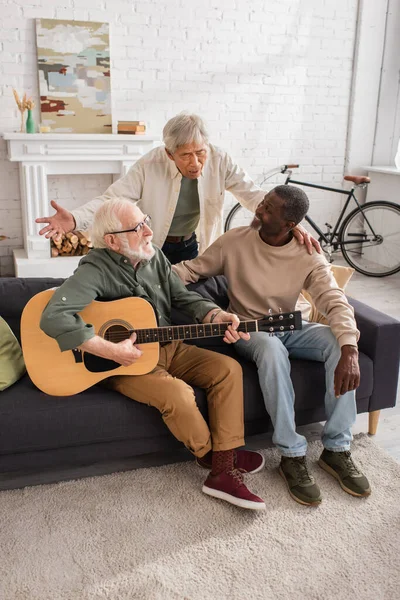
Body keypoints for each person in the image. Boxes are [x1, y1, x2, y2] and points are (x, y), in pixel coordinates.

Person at [39, 197, 266, 511]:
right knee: (178, 394)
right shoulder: (95, 269)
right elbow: (53, 316)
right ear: (112, 241)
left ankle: (221, 467)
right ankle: (218, 462)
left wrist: (215, 315)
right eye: (137, 227)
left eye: (145, 220)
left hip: (168, 347)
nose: (149, 231)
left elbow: (184, 298)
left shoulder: (154, 257)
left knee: (228, 369)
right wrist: (108, 349)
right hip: (122, 364)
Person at [173, 184, 371, 507]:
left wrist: (350, 347)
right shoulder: (234, 241)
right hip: (251, 332)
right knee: (271, 349)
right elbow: (190, 270)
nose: (259, 210)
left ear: (290, 225)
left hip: (292, 326)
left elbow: (334, 299)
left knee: (338, 342)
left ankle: (336, 448)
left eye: (267, 209)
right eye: (262, 203)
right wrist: (147, 275)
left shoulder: (308, 254)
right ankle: (291, 454)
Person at [35, 112, 319, 264]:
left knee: (187, 301)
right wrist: (74, 219)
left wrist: (289, 224)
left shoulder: (220, 159)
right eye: (186, 155)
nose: (196, 163)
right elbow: (113, 199)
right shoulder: (150, 164)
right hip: (152, 245)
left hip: (193, 245)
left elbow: (253, 194)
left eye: (201, 152)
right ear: (170, 154)